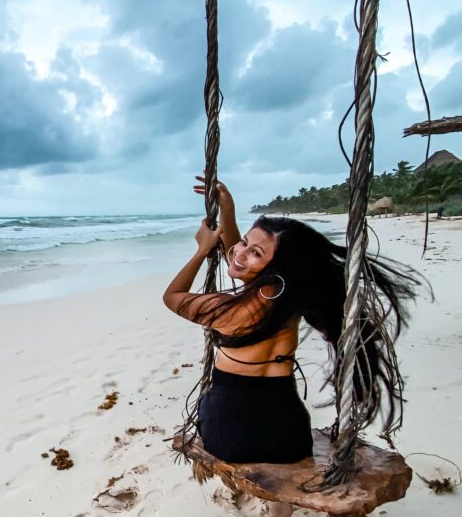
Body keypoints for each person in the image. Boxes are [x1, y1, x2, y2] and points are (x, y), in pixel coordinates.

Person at [163, 174, 418, 465]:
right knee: (284, 469)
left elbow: (173, 297)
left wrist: (202, 250)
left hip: (232, 433)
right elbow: (240, 259)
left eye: (255, 252)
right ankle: (281, 509)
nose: (240, 253)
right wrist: (228, 212)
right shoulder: (290, 298)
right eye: (245, 242)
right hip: (288, 433)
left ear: (276, 267)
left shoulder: (229, 310)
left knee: (212, 409)